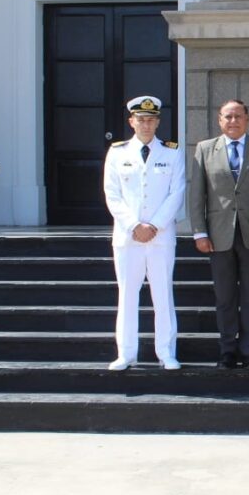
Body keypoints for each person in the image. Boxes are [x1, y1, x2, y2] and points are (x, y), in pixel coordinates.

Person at [188, 99, 249, 370]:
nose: (233, 121)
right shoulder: (205, 150)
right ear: (219, 120)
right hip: (218, 235)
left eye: (238, 117)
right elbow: (196, 194)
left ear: (247, 119)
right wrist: (199, 232)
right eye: (227, 117)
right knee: (224, 296)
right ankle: (227, 350)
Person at [103, 95, 186, 371]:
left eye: (151, 120)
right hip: (128, 237)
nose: (146, 125)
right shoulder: (117, 152)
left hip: (160, 237)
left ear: (158, 122)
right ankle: (126, 353)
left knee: (163, 295)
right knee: (127, 295)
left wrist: (155, 225)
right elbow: (112, 194)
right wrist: (133, 225)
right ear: (131, 122)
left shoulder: (172, 152)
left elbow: (177, 193)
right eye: (141, 120)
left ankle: (166, 352)